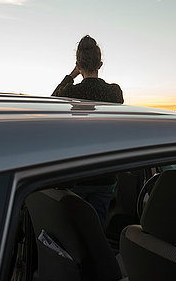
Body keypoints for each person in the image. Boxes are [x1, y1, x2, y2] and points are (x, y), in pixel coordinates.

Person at [52, 35, 123, 224]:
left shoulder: (70, 92)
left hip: (77, 173)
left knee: (72, 233)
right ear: (100, 64)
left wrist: (72, 75)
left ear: (78, 64)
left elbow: (51, 100)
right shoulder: (114, 92)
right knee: (96, 232)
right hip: (105, 174)